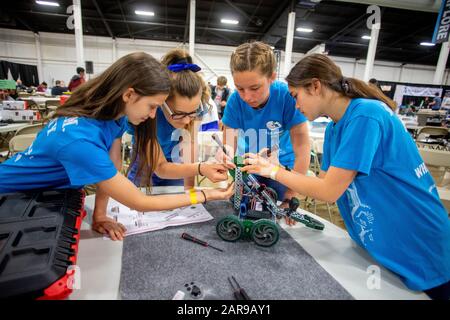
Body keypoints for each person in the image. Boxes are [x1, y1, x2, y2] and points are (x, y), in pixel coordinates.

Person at [240, 53, 450, 300]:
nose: (296, 105)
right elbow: (321, 184)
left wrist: (272, 171)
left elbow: (330, 192)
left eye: (296, 96)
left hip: (418, 244)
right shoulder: (334, 127)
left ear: (315, 86)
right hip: (383, 248)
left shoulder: (365, 115)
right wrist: (279, 168)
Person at [0, 52, 233, 241]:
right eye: (152, 106)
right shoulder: (79, 140)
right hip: (11, 198)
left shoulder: (115, 118)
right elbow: (140, 201)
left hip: (43, 198)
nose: (154, 115)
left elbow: (113, 168)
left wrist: (100, 215)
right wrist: (206, 194)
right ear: (129, 95)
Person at [219, 41, 310, 224]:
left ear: (272, 77)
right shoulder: (235, 101)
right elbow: (228, 144)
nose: (247, 97)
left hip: (283, 168)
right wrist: (226, 157)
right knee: (242, 210)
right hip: (251, 165)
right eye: (240, 88)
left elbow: (302, 149)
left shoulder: (286, 97)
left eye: (255, 88)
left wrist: (290, 195)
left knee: (275, 215)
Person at [127, 48, 228, 189]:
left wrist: (190, 191)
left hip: (175, 163)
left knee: (180, 200)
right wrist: (200, 168)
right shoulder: (146, 114)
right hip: (145, 164)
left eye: (192, 113)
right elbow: (161, 168)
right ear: (162, 101)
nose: (187, 121)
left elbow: (189, 148)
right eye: (179, 114)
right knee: (141, 202)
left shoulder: (198, 108)